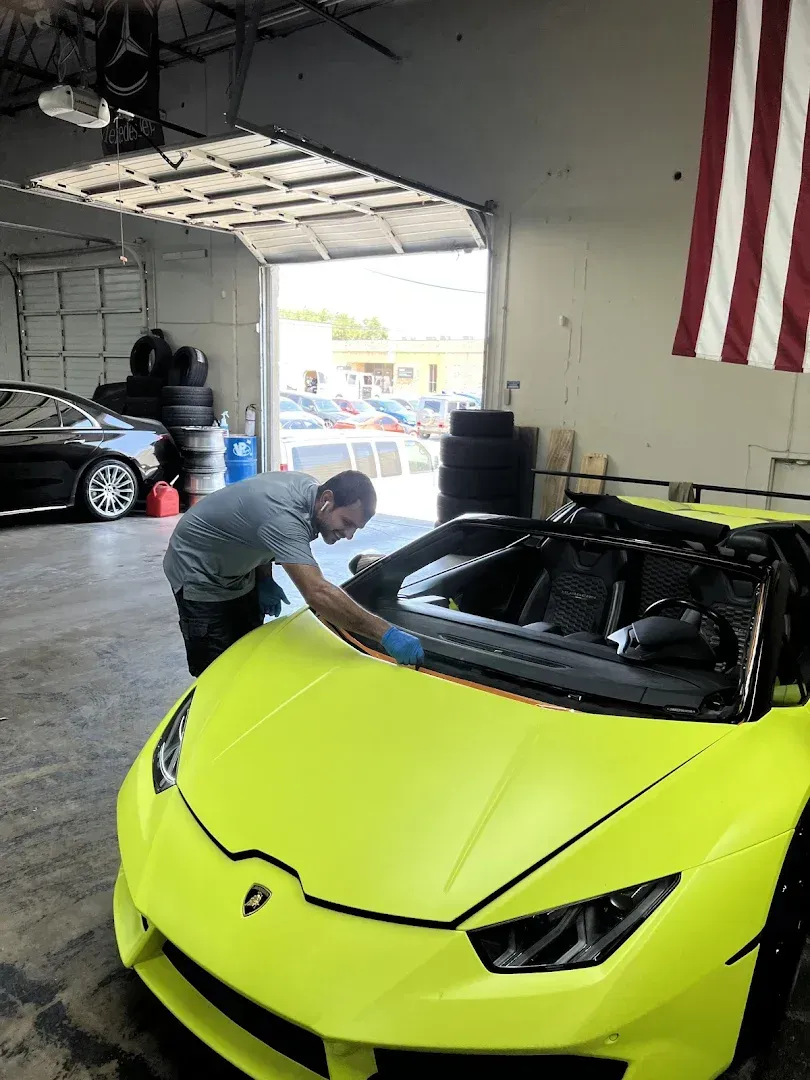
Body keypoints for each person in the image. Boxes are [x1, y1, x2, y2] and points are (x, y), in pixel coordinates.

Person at [163, 469, 424, 677]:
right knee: (216, 667)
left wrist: (264, 578)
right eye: (346, 523)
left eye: (356, 528)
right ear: (327, 500)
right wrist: (386, 634)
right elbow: (317, 592)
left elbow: (259, 532)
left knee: (246, 653)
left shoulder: (311, 494)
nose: (349, 535)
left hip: (237, 566)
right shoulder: (284, 517)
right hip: (197, 569)